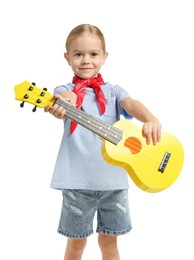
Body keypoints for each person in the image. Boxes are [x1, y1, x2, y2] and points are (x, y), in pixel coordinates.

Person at [44, 24, 161, 260]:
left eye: (93, 54)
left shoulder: (114, 91)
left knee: (109, 243)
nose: (86, 60)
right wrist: (62, 103)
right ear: (67, 58)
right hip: (77, 183)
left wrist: (150, 118)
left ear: (104, 57)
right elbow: (65, 98)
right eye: (78, 54)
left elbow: (131, 104)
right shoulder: (64, 90)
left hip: (113, 183)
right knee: (76, 245)